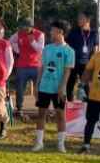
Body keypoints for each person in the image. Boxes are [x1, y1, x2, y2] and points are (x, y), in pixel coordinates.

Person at [32, 21, 75, 153]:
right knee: (41, 114)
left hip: (58, 89)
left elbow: (67, 71)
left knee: (60, 115)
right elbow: (42, 67)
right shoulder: (47, 49)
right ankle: (39, 143)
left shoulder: (69, 51)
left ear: (60, 32)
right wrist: (37, 84)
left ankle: (61, 144)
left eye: (53, 30)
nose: (50, 33)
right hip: (45, 87)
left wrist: (62, 88)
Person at [10, 18, 45, 115]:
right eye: (23, 26)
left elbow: (40, 49)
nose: (24, 29)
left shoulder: (40, 34)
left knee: (39, 88)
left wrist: (32, 42)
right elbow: (10, 41)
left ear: (31, 27)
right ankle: (19, 108)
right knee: (20, 88)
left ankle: (41, 108)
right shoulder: (19, 34)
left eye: (26, 27)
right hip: (22, 66)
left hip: (36, 66)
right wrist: (18, 50)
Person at [66, 13, 98, 101]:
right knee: (70, 83)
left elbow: (95, 49)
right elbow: (67, 46)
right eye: (78, 18)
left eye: (81, 18)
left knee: (85, 85)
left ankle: (88, 104)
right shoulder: (73, 32)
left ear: (87, 20)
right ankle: (69, 103)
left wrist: (94, 63)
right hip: (73, 62)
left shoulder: (94, 33)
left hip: (86, 63)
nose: (78, 20)